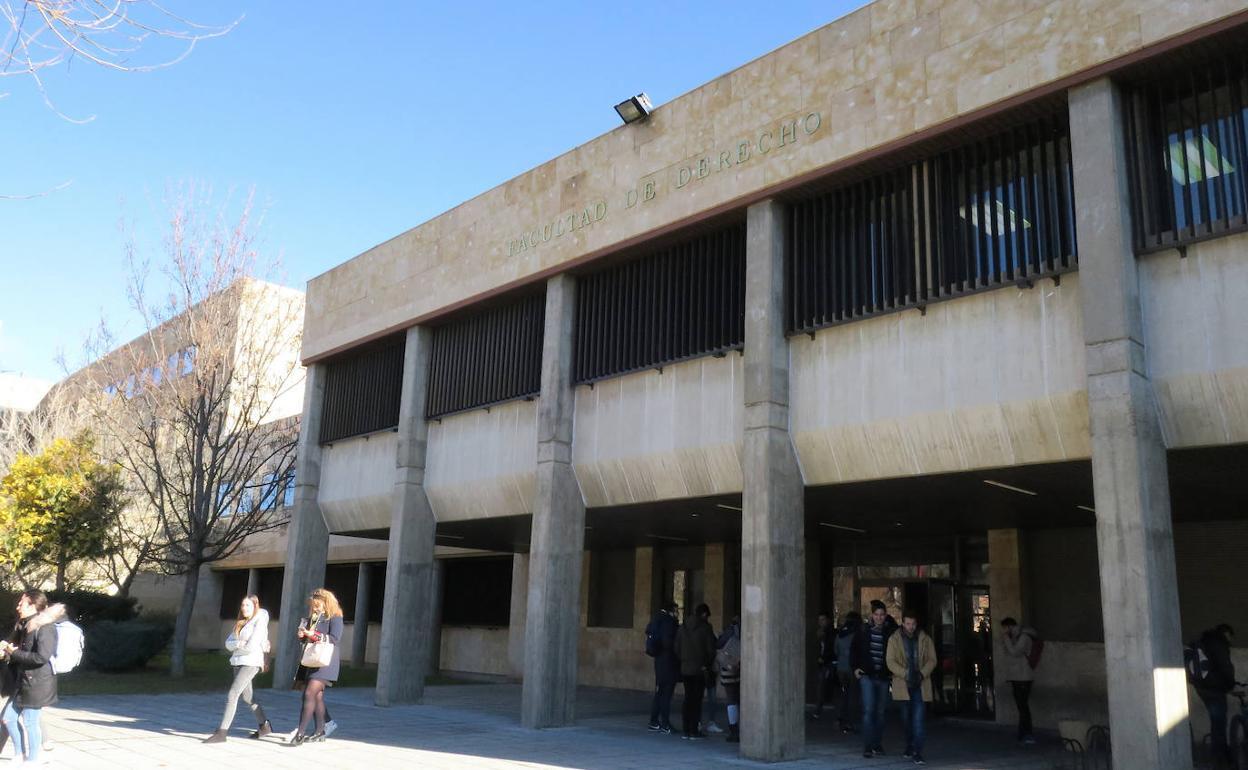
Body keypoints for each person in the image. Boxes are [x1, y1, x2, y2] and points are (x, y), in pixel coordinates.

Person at [0, 590, 64, 766]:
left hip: (37, 683)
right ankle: (19, 754)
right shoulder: (24, 624)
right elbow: (16, 650)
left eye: (22, 603)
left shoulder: (45, 627)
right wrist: (7, 650)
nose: (18, 606)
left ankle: (33, 759)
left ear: (33, 605)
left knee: (30, 721)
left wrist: (14, 652)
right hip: (23, 682)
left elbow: (41, 657)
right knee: (8, 718)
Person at [204, 594, 273, 743]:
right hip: (237, 661)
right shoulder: (241, 622)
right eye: (242, 605)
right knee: (248, 697)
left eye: (248, 605)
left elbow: (251, 646)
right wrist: (238, 644)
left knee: (233, 694)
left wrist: (239, 645)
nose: (244, 608)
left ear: (255, 606)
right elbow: (228, 643)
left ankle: (222, 732)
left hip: (251, 662)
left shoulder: (259, 621)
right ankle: (264, 726)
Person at [288, 587, 344, 746]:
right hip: (312, 661)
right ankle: (320, 731)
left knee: (308, 693)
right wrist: (302, 636)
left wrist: (313, 635)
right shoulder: (313, 618)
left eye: (318, 604)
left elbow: (334, 639)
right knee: (317, 696)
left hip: (326, 662)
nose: (315, 607)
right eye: (313, 605)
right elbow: (308, 640)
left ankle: (300, 733)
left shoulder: (335, 617)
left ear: (327, 603)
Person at [886, 609, 936, 766]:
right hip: (903, 683)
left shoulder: (925, 639)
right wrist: (905, 673)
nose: (911, 627)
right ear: (903, 623)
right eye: (908, 623)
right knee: (906, 720)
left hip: (920, 684)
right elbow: (890, 661)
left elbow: (932, 660)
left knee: (919, 720)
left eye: (913, 623)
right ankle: (909, 745)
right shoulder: (894, 639)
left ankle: (917, 751)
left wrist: (922, 673)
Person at [851, 599, 897, 759]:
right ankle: (868, 746)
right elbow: (854, 650)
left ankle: (877, 743)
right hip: (867, 676)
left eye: (882, 615)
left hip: (883, 677)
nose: (879, 617)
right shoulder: (864, 631)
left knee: (881, 712)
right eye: (876, 614)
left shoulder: (890, 632)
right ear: (872, 616)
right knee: (869, 710)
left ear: (885, 616)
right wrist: (855, 668)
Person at [1193, 624, 1236, 766]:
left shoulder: (1205, 641)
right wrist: (1230, 685)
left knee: (1216, 722)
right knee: (1219, 723)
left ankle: (1219, 756)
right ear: (1226, 633)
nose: (1231, 640)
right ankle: (1221, 759)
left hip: (1202, 688)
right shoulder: (1219, 644)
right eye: (1230, 636)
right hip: (1215, 689)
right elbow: (1225, 667)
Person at [676, 603, 716, 740]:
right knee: (697, 700)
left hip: (685, 669)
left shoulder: (682, 627)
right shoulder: (706, 628)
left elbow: (677, 648)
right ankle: (694, 730)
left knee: (687, 699)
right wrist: (706, 664)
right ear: (704, 614)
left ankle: (686, 730)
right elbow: (711, 650)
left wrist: (684, 660)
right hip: (699, 669)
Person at [1000, 617, 1038, 745]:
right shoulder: (1015, 637)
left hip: (1024, 677)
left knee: (1023, 706)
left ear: (1010, 626)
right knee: (1021, 706)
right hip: (1016, 676)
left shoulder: (1024, 637)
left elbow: (1015, 652)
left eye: (1005, 628)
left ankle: (1027, 733)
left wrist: (1006, 639)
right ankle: (1023, 733)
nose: (1004, 631)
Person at [646, 602, 680, 734]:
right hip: (668, 662)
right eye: (676, 610)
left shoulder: (656, 619)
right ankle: (665, 723)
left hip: (659, 661)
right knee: (666, 693)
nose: (677, 612)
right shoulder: (668, 622)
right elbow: (669, 642)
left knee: (660, 692)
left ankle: (654, 721)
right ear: (671, 610)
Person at [834, 611, 863, 734]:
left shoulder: (840, 634)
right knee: (853, 695)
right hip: (853, 668)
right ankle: (851, 722)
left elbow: (836, 650)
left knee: (844, 693)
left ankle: (841, 717)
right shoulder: (858, 634)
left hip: (841, 668)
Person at [716, 616, 742, 743]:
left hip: (728, 670)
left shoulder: (727, 632)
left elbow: (718, 646)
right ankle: (743, 728)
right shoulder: (746, 631)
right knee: (740, 700)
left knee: (731, 700)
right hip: (742, 670)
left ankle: (733, 730)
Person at [811, 611, 835, 719]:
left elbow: (830, 648)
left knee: (823, 685)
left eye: (823, 620)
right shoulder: (820, 633)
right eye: (819, 620)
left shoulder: (830, 633)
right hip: (822, 662)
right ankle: (818, 708)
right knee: (820, 685)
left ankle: (819, 708)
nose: (821, 622)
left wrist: (824, 658)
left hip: (828, 662)